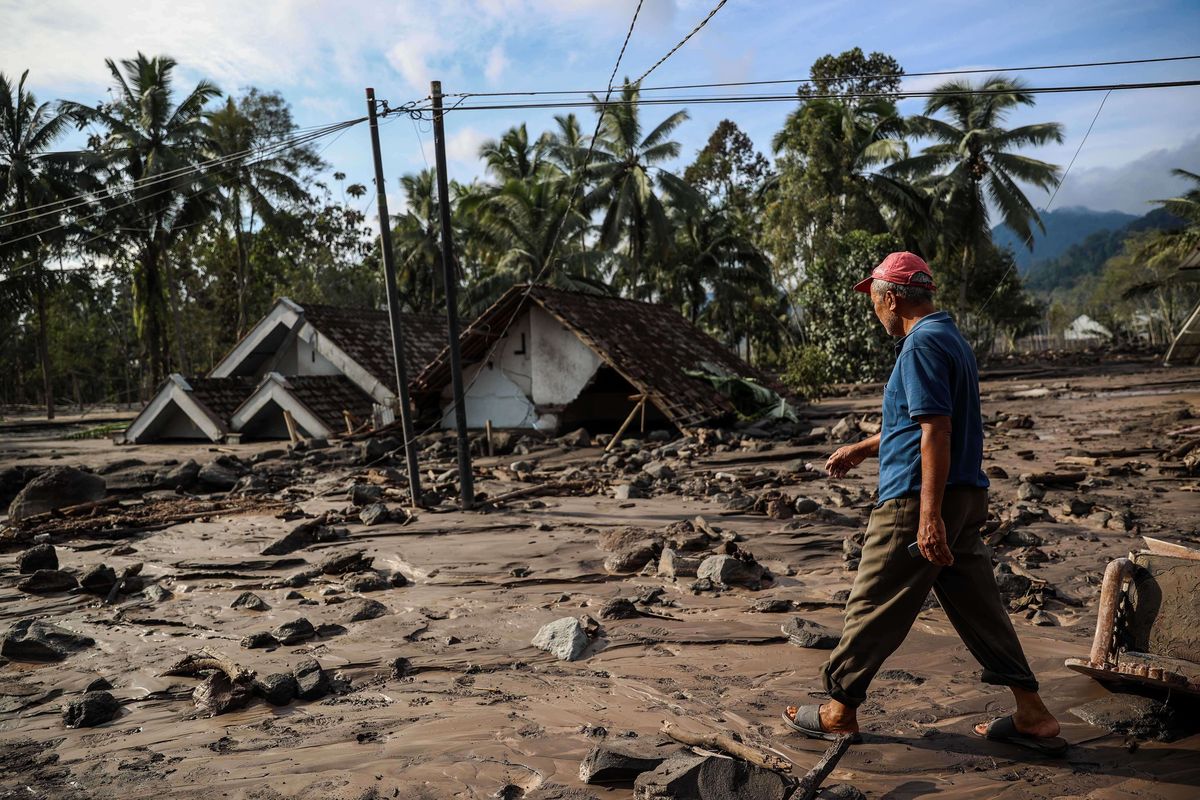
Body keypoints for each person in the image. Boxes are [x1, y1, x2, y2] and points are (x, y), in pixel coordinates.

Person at [780, 252, 1066, 756]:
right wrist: (862, 448)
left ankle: (838, 709)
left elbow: (936, 429)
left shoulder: (920, 346)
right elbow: (916, 421)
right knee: (978, 604)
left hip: (918, 498)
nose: (876, 312)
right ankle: (1032, 712)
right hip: (963, 495)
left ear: (890, 299)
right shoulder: (949, 337)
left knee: (873, 599)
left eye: (875, 302)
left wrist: (928, 516)